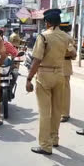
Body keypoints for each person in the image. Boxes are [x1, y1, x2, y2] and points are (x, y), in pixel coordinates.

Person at [26, 9, 69, 155]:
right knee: (57, 110)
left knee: (45, 112)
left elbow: (37, 59)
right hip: (60, 74)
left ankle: (45, 145)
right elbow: (72, 53)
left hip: (45, 75)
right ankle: (54, 139)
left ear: (48, 22)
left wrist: (29, 78)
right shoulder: (66, 36)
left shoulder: (43, 36)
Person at [59, 22, 77, 123]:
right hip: (65, 65)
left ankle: (64, 113)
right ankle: (64, 113)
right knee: (64, 92)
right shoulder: (68, 38)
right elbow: (73, 53)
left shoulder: (64, 37)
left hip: (60, 65)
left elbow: (72, 51)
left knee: (62, 91)